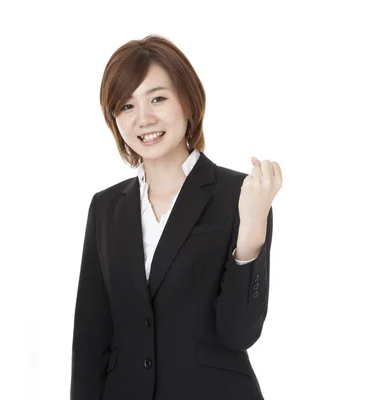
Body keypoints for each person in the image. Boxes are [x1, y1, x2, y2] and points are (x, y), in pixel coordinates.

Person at [70, 34, 283, 400]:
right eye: (126, 106)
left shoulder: (238, 195)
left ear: (187, 99)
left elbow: (239, 333)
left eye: (158, 98)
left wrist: (251, 231)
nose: (144, 119)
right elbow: (91, 340)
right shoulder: (105, 208)